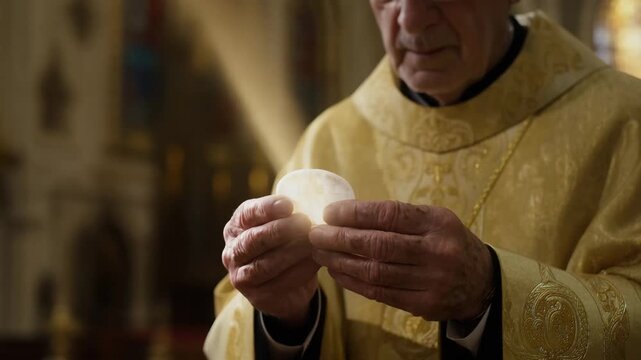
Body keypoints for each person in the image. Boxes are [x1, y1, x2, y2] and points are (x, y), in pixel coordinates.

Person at [204, 0, 641, 359]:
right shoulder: (328, 141)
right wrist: (284, 319)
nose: (411, 19)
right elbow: (232, 335)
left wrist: (491, 293)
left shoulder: (623, 123)